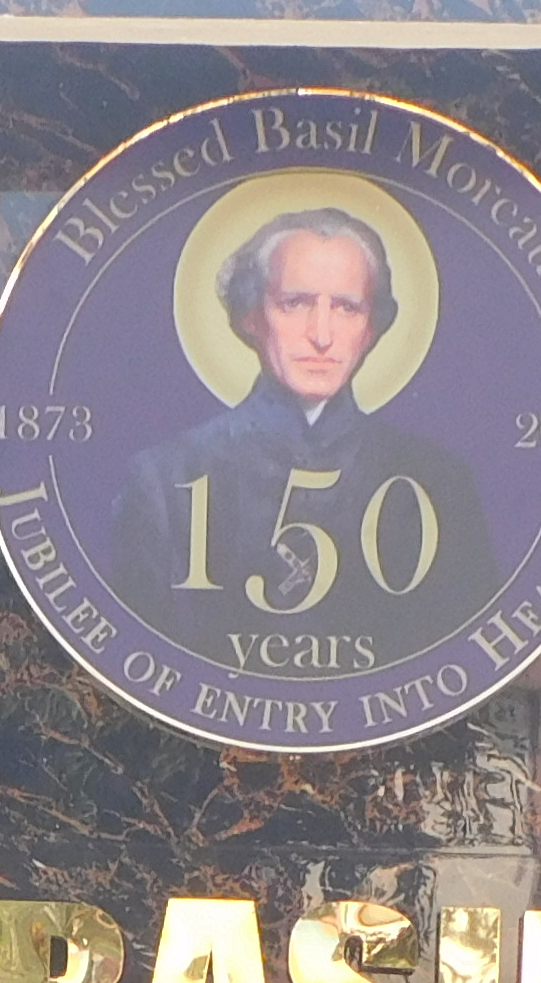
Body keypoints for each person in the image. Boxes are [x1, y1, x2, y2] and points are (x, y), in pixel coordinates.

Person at [108, 202, 503, 652]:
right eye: (295, 303)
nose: (321, 335)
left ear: (372, 328)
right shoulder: (164, 479)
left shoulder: (440, 484)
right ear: (250, 315)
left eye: (347, 307)